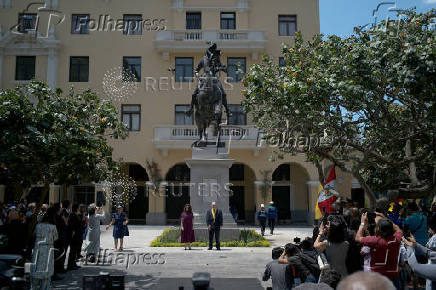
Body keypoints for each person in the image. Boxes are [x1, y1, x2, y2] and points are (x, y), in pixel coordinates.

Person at [355, 212, 402, 287]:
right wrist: (385, 219)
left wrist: (362, 223)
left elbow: (357, 238)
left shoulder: (374, 240)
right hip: (393, 278)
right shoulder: (397, 239)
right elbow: (397, 228)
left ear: (378, 229)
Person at [187, 42, 232, 119]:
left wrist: (222, 68)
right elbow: (196, 70)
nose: (212, 51)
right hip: (204, 78)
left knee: (223, 93)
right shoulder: (203, 60)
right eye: (211, 49)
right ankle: (190, 109)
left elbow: (223, 67)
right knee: (194, 93)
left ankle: (228, 110)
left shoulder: (216, 58)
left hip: (214, 78)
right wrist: (198, 76)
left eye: (213, 49)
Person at [30, 211, 58, 290]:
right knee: (47, 269)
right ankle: (45, 287)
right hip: (48, 249)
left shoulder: (38, 226)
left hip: (38, 248)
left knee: (36, 267)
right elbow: (55, 238)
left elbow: (34, 235)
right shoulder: (53, 227)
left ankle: (34, 287)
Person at [67, 204, 81, 270]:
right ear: (76, 208)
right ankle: (70, 265)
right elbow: (72, 225)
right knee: (73, 251)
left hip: (77, 235)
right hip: (74, 236)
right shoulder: (72, 215)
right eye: (78, 208)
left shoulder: (75, 215)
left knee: (74, 251)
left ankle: (73, 263)